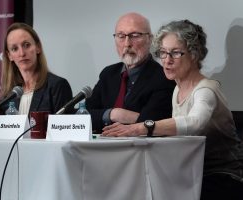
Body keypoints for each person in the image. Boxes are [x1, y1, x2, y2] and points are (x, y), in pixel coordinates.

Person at [102, 19, 243, 200]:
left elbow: (195, 123)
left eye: (175, 53)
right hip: (191, 173)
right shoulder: (177, 88)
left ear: (194, 54)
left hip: (223, 177)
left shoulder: (206, 90)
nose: (166, 61)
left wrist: (139, 127)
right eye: (163, 53)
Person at [85, 12, 175, 133]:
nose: (127, 43)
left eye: (135, 35)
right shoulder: (108, 73)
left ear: (150, 39)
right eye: (121, 36)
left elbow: (153, 123)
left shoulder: (163, 77)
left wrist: (138, 119)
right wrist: (113, 113)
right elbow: (83, 115)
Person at [0, 22, 73, 114]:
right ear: (9, 55)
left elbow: (62, 127)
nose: (22, 53)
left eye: (26, 45)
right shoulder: (8, 95)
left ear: (38, 47)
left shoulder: (57, 86)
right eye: (14, 48)